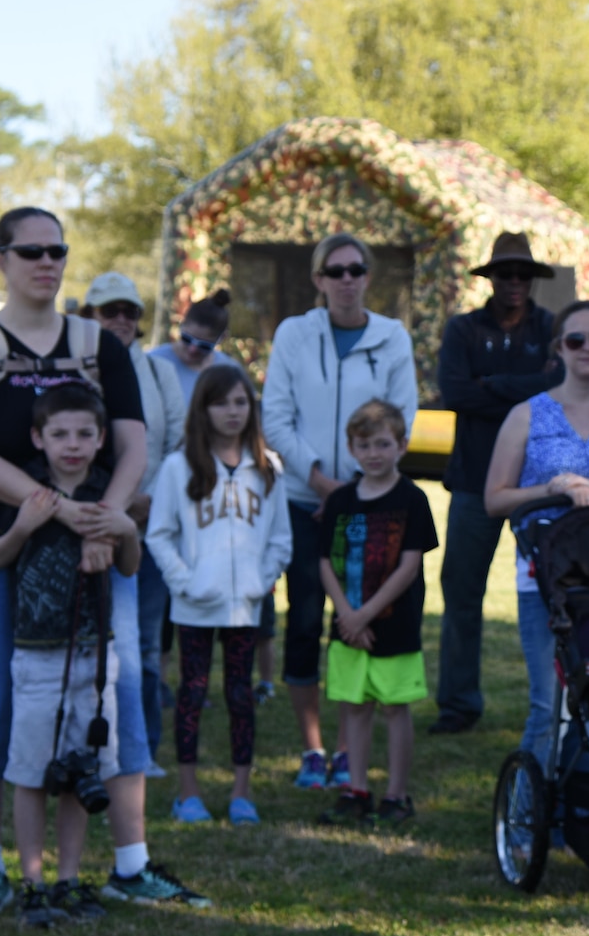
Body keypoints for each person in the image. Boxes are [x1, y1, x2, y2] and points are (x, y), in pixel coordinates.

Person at [0, 207, 203, 915]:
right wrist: (57, 506)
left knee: (120, 688)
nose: (46, 262)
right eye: (30, 251)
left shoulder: (98, 341)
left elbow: (134, 443)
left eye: (57, 250)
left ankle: (130, 862)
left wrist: (104, 519)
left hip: (95, 534)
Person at [262, 233, 418, 789]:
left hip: (370, 504)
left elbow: (402, 418)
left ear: (368, 277)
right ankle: (313, 749)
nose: (347, 279)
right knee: (303, 620)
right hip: (307, 501)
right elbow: (275, 417)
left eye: (356, 270)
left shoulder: (390, 337)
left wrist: (360, 485)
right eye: (336, 271)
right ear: (318, 278)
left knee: (359, 620)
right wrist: (321, 480)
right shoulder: (294, 335)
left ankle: (352, 751)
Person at [0, 385, 144, 927]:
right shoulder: (24, 489)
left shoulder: (108, 492)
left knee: (84, 771)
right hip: (36, 655)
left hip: (97, 656)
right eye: (59, 434)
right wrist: (25, 524)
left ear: (102, 439)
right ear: (39, 437)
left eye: (84, 434)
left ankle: (69, 878)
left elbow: (128, 568)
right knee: (32, 771)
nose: (72, 445)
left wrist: (124, 531)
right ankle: (31, 883)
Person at [485, 301, 589, 770]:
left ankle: (582, 806)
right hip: (543, 580)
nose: (587, 348)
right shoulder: (527, 415)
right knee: (548, 703)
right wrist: (552, 487)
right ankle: (527, 818)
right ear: (558, 347)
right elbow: (494, 499)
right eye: (576, 339)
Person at [429, 231, 564, 735]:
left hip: (540, 483)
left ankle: (555, 702)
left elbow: (558, 388)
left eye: (523, 274)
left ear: (532, 280)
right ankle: (458, 704)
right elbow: (454, 393)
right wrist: (524, 388)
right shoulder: (463, 329)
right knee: (462, 594)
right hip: (472, 481)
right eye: (505, 273)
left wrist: (493, 387)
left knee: (556, 594)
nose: (514, 282)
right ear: (491, 278)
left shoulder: (552, 328)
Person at [146, 365, 290, 826]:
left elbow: (281, 539)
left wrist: (260, 580)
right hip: (194, 606)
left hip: (245, 607)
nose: (232, 412)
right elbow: (159, 535)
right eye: (221, 402)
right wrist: (185, 582)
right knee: (191, 692)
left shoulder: (268, 467)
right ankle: (188, 794)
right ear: (203, 410)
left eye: (241, 402)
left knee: (240, 695)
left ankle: (240, 793)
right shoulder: (178, 467)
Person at [82, 272, 186, 775]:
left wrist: (147, 500)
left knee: (144, 644)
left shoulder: (160, 371)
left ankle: (141, 750)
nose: (121, 320)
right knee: (85, 642)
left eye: (129, 312)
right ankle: (86, 740)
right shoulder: (75, 368)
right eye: (109, 311)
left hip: (147, 527)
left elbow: (181, 446)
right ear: (89, 316)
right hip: (81, 523)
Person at [317, 399, 437, 823]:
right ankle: (356, 788)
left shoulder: (413, 500)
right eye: (364, 445)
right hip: (348, 626)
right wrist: (348, 615)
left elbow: (408, 567)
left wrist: (365, 614)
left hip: (393, 625)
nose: (374, 454)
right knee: (354, 707)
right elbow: (324, 562)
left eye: (383, 444)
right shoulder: (340, 501)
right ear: (351, 448)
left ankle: (396, 794)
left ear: (402, 446)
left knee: (393, 708)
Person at [147, 287, 240, 407]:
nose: (192, 349)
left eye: (204, 346)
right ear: (181, 324)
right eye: (186, 339)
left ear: (222, 338)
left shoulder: (230, 371)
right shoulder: (153, 362)